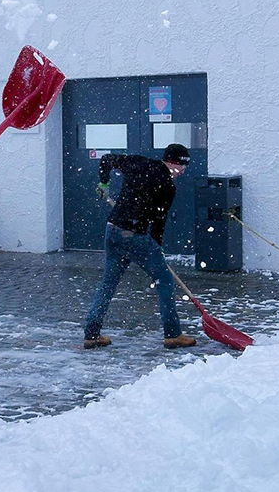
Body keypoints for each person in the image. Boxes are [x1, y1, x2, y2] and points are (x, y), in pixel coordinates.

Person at [83, 143, 197, 350]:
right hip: (135, 236)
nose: (182, 172)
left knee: (108, 284)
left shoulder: (138, 162)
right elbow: (158, 222)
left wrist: (104, 183)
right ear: (174, 162)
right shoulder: (168, 186)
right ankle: (173, 334)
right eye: (182, 167)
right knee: (163, 280)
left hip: (113, 230)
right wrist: (157, 246)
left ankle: (92, 334)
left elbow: (106, 159)